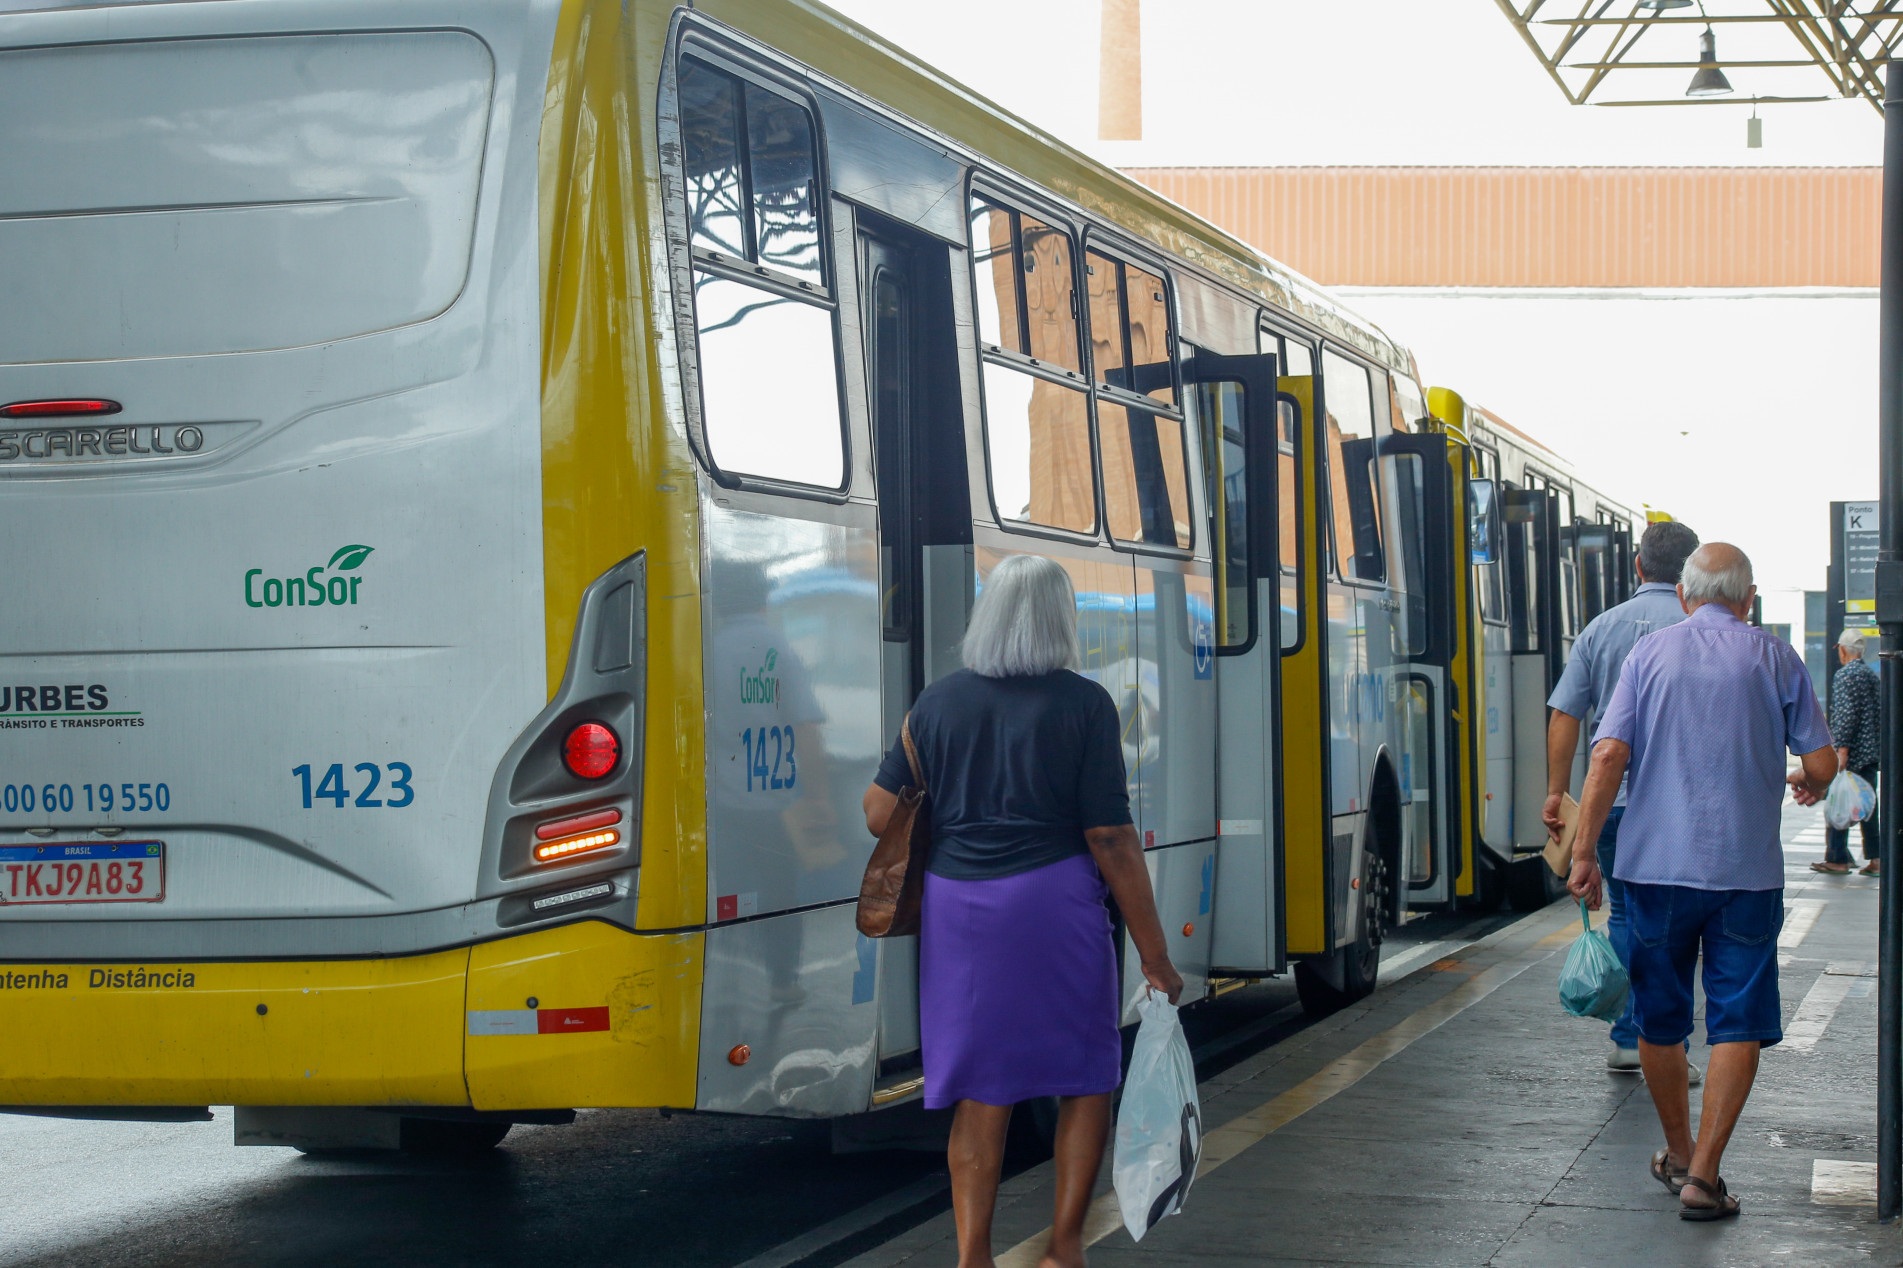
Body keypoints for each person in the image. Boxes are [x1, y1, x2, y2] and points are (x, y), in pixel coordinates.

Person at [862, 553, 1182, 1268]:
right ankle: (1062, 1248)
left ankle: (972, 1255)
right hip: (1053, 905)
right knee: (1084, 1075)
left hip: (959, 912)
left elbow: (878, 811)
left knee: (983, 1087)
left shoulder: (937, 702)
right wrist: (1155, 955)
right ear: (1058, 619)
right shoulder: (1083, 704)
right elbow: (1109, 837)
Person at [1567, 543, 1836, 1221]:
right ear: (1748, 599)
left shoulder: (1648, 655)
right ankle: (1704, 1176)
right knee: (1735, 1017)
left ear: (1685, 597)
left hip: (1652, 871)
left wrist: (1582, 851)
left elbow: (1606, 754)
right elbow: (1822, 760)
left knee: (1659, 1018)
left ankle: (1681, 1152)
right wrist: (1809, 780)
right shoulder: (1774, 656)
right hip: (1744, 875)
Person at [1543, 519, 1700, 1077]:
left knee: (1628, 915)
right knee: (1678, 918)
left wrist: (1558, 792)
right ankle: (1667, 1040)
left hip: (1609, 801)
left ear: (1638, 566)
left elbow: (1565, 715)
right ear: (1691, 571)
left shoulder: (1599, 629)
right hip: (1678, 804)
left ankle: (1632, 1036)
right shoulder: (1696, 626)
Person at [1816, 627, 1881, 876]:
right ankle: (1876, 858)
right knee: (1867, 805)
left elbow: (1845, 716)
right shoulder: (1870, 674)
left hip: (1851, 753)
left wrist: (1841, 751)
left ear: (1843, 650)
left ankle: (1838, 857)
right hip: (1869, 752)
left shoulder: (1845, 676)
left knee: (1839, 801)